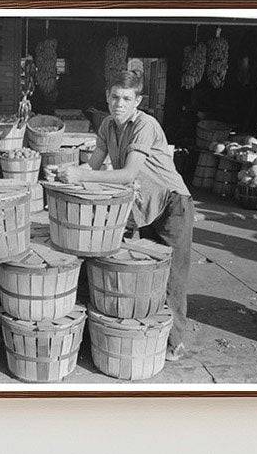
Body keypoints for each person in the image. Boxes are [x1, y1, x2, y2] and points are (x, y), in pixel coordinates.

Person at [57, 70, 194, 354]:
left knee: (172, 276)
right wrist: (67, 172)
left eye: (127, 98)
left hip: (173, 204)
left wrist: (81, 177)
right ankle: (144, 338)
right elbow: (94, 165)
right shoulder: (108, 125)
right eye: (115, 97)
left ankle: (175, 342)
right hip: (144, 204)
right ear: (107, 98)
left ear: (137, 100)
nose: (120, 103)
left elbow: (129, 172)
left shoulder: (146, 124)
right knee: (144, 273)